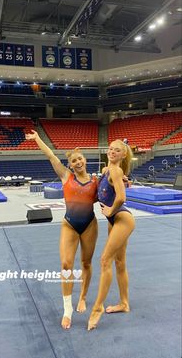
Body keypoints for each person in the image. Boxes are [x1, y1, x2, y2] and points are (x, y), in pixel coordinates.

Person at [26, 130, 98, 330]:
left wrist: (123, 184)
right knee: (66, 265)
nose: (78, 162)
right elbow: (50, 155)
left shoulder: (95, 181)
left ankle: (83, 297)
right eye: (74, 160)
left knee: (86, 262)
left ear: (85, 160)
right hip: (70, 225)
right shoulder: (66, 177)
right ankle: (68, 309)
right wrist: (37, 138)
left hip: (90, 225)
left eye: (80, 159)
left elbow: (108, 193)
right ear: (70, 165)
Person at [88, 139, 135, 330]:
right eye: (111, 149)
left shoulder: (115, 170)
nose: (112, 152)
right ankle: (124, 303)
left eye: (117, 150)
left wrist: (109, 210)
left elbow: (122, 198)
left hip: (122, 219)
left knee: (105, 260)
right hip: (114, 221)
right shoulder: (108, 171)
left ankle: (97, 309)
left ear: (123, 155)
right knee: (119, 263)